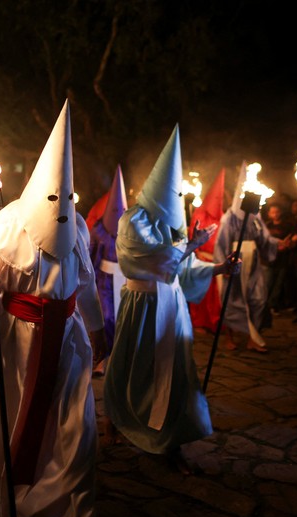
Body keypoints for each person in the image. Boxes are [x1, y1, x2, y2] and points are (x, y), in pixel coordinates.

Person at [0, 100, 107, 517]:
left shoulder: (76, 225)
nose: (62, 204)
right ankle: (15, 505)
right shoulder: (4, 225)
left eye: (69, 195)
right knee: (20, 424)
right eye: (55, 196)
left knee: (77, 430)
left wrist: (95, 328)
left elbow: (86, 278)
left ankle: (73, 514)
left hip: (70, 336)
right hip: (20, 343)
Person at [101, 124, 238, 475]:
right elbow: (148, 259)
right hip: (143, 306)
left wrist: (220, 267)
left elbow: (184, 266)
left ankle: (169, 440)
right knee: (135, 366)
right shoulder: (135, 219)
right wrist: (190, 245)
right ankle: (120, 418)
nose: (179, 199)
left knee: (176, 373)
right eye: (174, 193)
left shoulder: (174, 224)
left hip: (172, 306)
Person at [214, 162, 285, 352]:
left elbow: (265, 238)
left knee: (258, 299)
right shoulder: (229, 218)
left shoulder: (256, 218)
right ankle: (229, 337)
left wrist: (277, 243)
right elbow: (221, 244)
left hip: (252, 262)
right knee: (232, 300)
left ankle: (253, 338)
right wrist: (224, 266)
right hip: (234, 260)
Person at [88, 164, 127, 376]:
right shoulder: (99, 230)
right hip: (104, 280)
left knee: (124, 318)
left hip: (125, 279)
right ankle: (101, 358)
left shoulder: (131, 231)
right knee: (106, 318)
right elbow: (92, 256)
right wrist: (91, 280)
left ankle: (120, 359)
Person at [188, 167, 226, 334]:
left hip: (216, 260)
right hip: (202, 259)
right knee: (201, 293)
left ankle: (214, 322)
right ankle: (199, 322)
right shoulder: (199, 216)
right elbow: (193, 238)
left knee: (214, 297)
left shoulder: (223, 217)